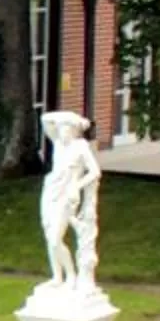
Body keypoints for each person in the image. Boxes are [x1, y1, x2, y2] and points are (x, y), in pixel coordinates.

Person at [39, 109, 102, 288]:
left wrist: (77, 185)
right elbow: (45, 119)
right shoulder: (58, 143)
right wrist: (70, 118)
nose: (61, 132)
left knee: (55, 238)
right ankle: (57, 276)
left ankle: (71, 275)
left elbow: (95, 172)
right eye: (60, 129)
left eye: (66, 128)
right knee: (48, 235)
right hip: (50, 191)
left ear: (74, 131)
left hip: (67, 195)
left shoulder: (81, 146)